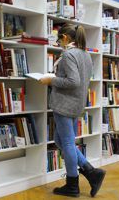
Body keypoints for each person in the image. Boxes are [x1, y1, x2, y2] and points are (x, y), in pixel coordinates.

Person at [40, 24, 106, 198]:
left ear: (66, 38)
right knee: (60, 140)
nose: (58, 43)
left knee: (67, 143)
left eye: (59, 39)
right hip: (76, 103)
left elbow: (73, 81)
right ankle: (91, 171)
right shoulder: (85, 54)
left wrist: (51, 80)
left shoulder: (69, 55)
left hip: (64, 104)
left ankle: (72, 184)